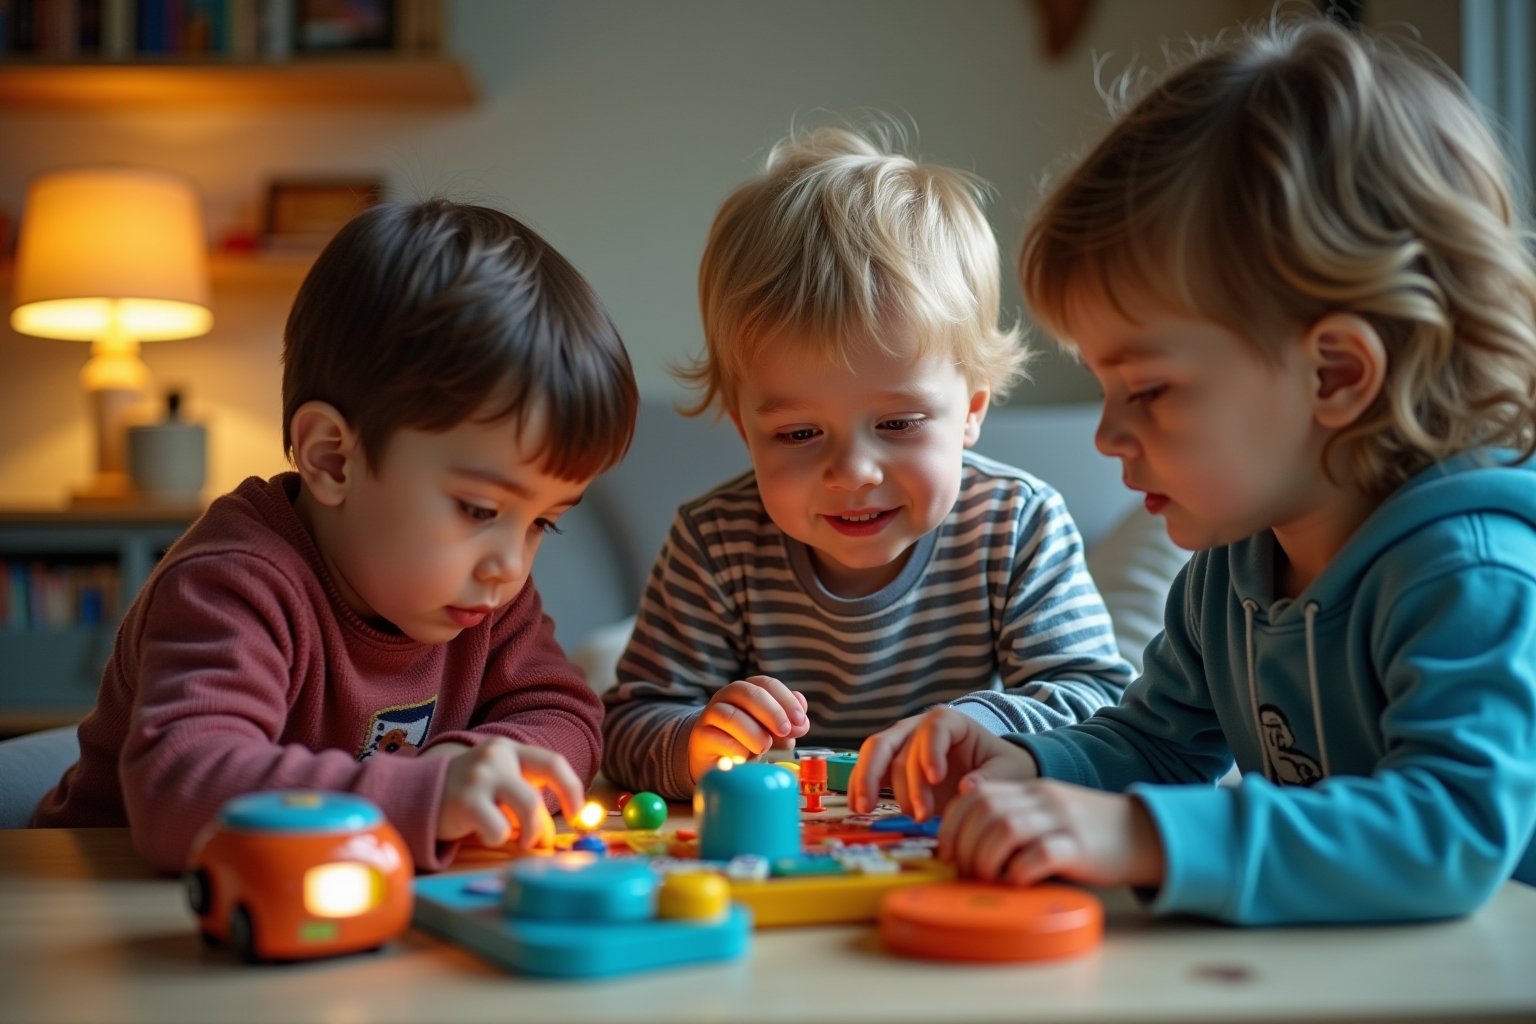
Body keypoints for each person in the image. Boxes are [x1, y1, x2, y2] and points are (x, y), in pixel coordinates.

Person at [848, 13, 1536, 925]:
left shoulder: (1469, 572)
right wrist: (1033, 767)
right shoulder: (1229, 569)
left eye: (1150, 389)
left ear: (1334, 373)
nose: (1108, 435)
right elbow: (1159, 741)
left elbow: (1450, 832)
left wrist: (1139, 836)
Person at [33, 199, 639, 874]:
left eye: (543, 522)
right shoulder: (233, 581)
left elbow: (567, 714)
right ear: (332, 459)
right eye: (477, 509)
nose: (510, 565)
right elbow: (183, 787)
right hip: (107, 910)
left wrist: (474, 763)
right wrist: (423, 794)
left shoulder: (483, 598)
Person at [601, 122, 1135, 799]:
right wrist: (697, 742)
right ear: (743, 430)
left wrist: (978, 724)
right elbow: (628, 727)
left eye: (896, 423)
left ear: (971, 412)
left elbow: (1100, 699)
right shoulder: (715, 544)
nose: (853, 471)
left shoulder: (1015, 525)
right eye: (798, 434)